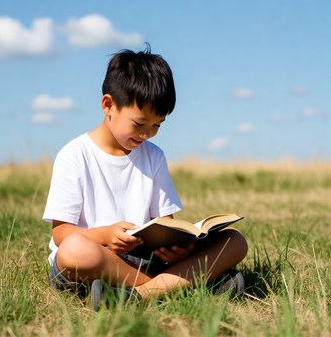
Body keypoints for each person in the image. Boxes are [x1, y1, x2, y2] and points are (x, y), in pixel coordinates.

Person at [42, 45, 248, 310]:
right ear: (108, 105)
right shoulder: (74, 155)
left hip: (145, 260)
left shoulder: (154, 156)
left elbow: (164, 224)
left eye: (157, 126)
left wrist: (177, 248)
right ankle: (182, 286)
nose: (147, 134)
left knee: (235, 240)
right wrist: (105, 235)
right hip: (97, 259)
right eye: (139, 124)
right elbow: (61, 234)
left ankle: (136, 296)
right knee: (74, 251)